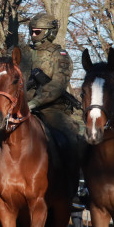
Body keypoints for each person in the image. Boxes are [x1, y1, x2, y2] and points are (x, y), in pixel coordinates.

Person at [21, 14, 83, 142]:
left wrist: (34, 103)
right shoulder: (22, 53)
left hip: (50, 109)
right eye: (31, 31)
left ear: (49, 32)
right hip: (20, 105)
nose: (33, 35)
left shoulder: (60, 56)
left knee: (70, 140)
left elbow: (58, 84)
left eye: (37, 32)